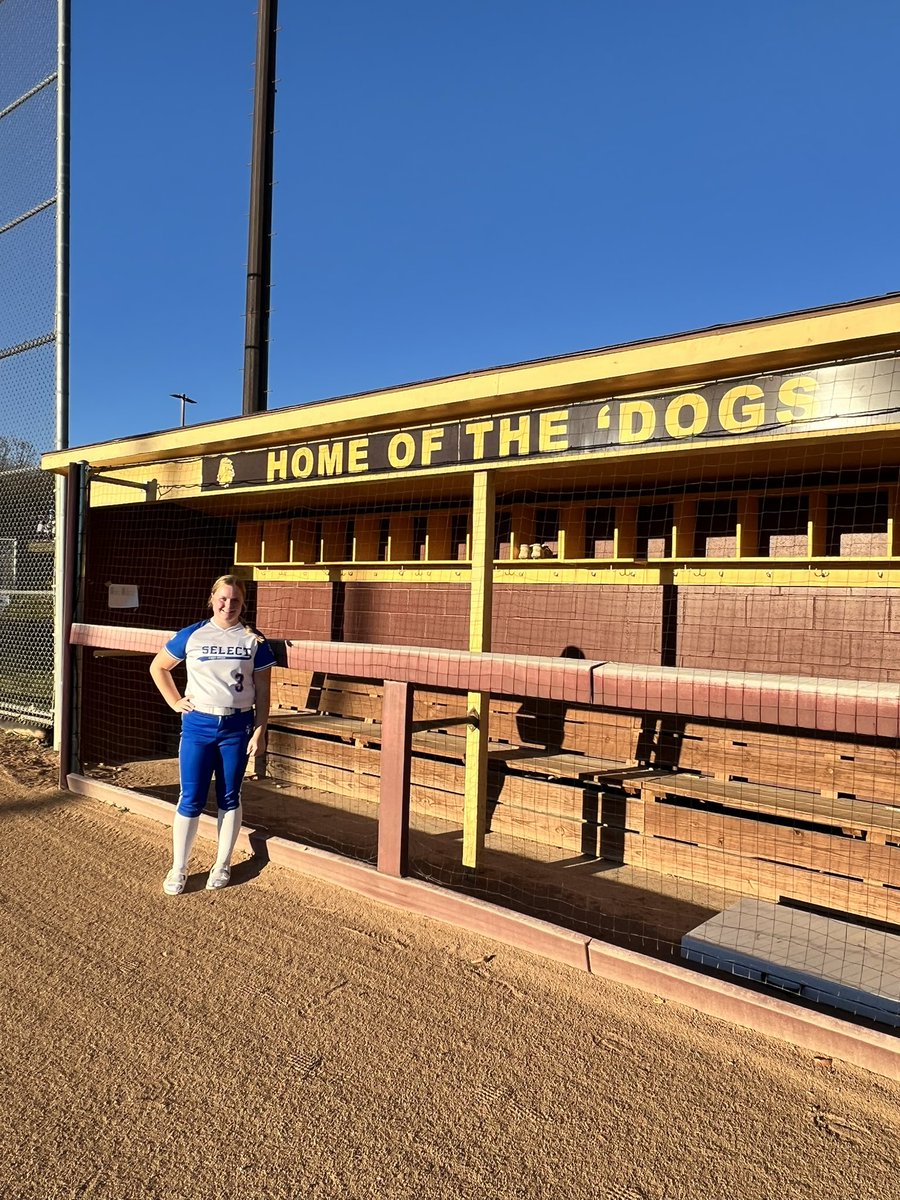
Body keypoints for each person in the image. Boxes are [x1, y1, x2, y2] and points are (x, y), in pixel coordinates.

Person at [149, 574, 275, 895]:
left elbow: (262, 690)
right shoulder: (192, 635)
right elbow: (158, 667)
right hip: (197, 725)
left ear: (243, 603)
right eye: (223, 598)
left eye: (235, 600)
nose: (228, 605)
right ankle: (178, 867)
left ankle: (222, 864)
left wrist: (260, 731)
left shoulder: (254, 641)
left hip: (237, 727)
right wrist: (175, 701)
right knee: (189, 797)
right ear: (212, 599)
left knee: (230, 796)